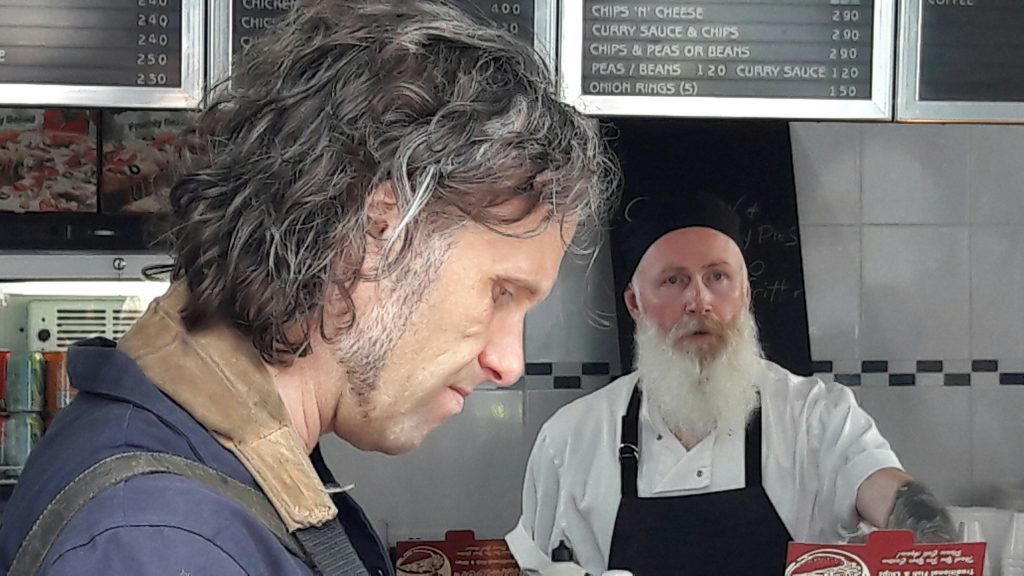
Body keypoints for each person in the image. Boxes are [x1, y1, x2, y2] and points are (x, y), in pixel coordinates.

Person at [0, 1, 616, 574]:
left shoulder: (209, 470)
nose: (507, 363)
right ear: (380, 231)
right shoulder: (159, 540)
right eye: (501, 293)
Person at [506, 193, 955, 575]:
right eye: (673, 280)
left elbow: (888, 490)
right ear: (635, 303)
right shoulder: (571, 439)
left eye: (717, 277)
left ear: (744, 295)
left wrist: (934, 543)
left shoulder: (817, 416)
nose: (699, 301)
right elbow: (529, 564)